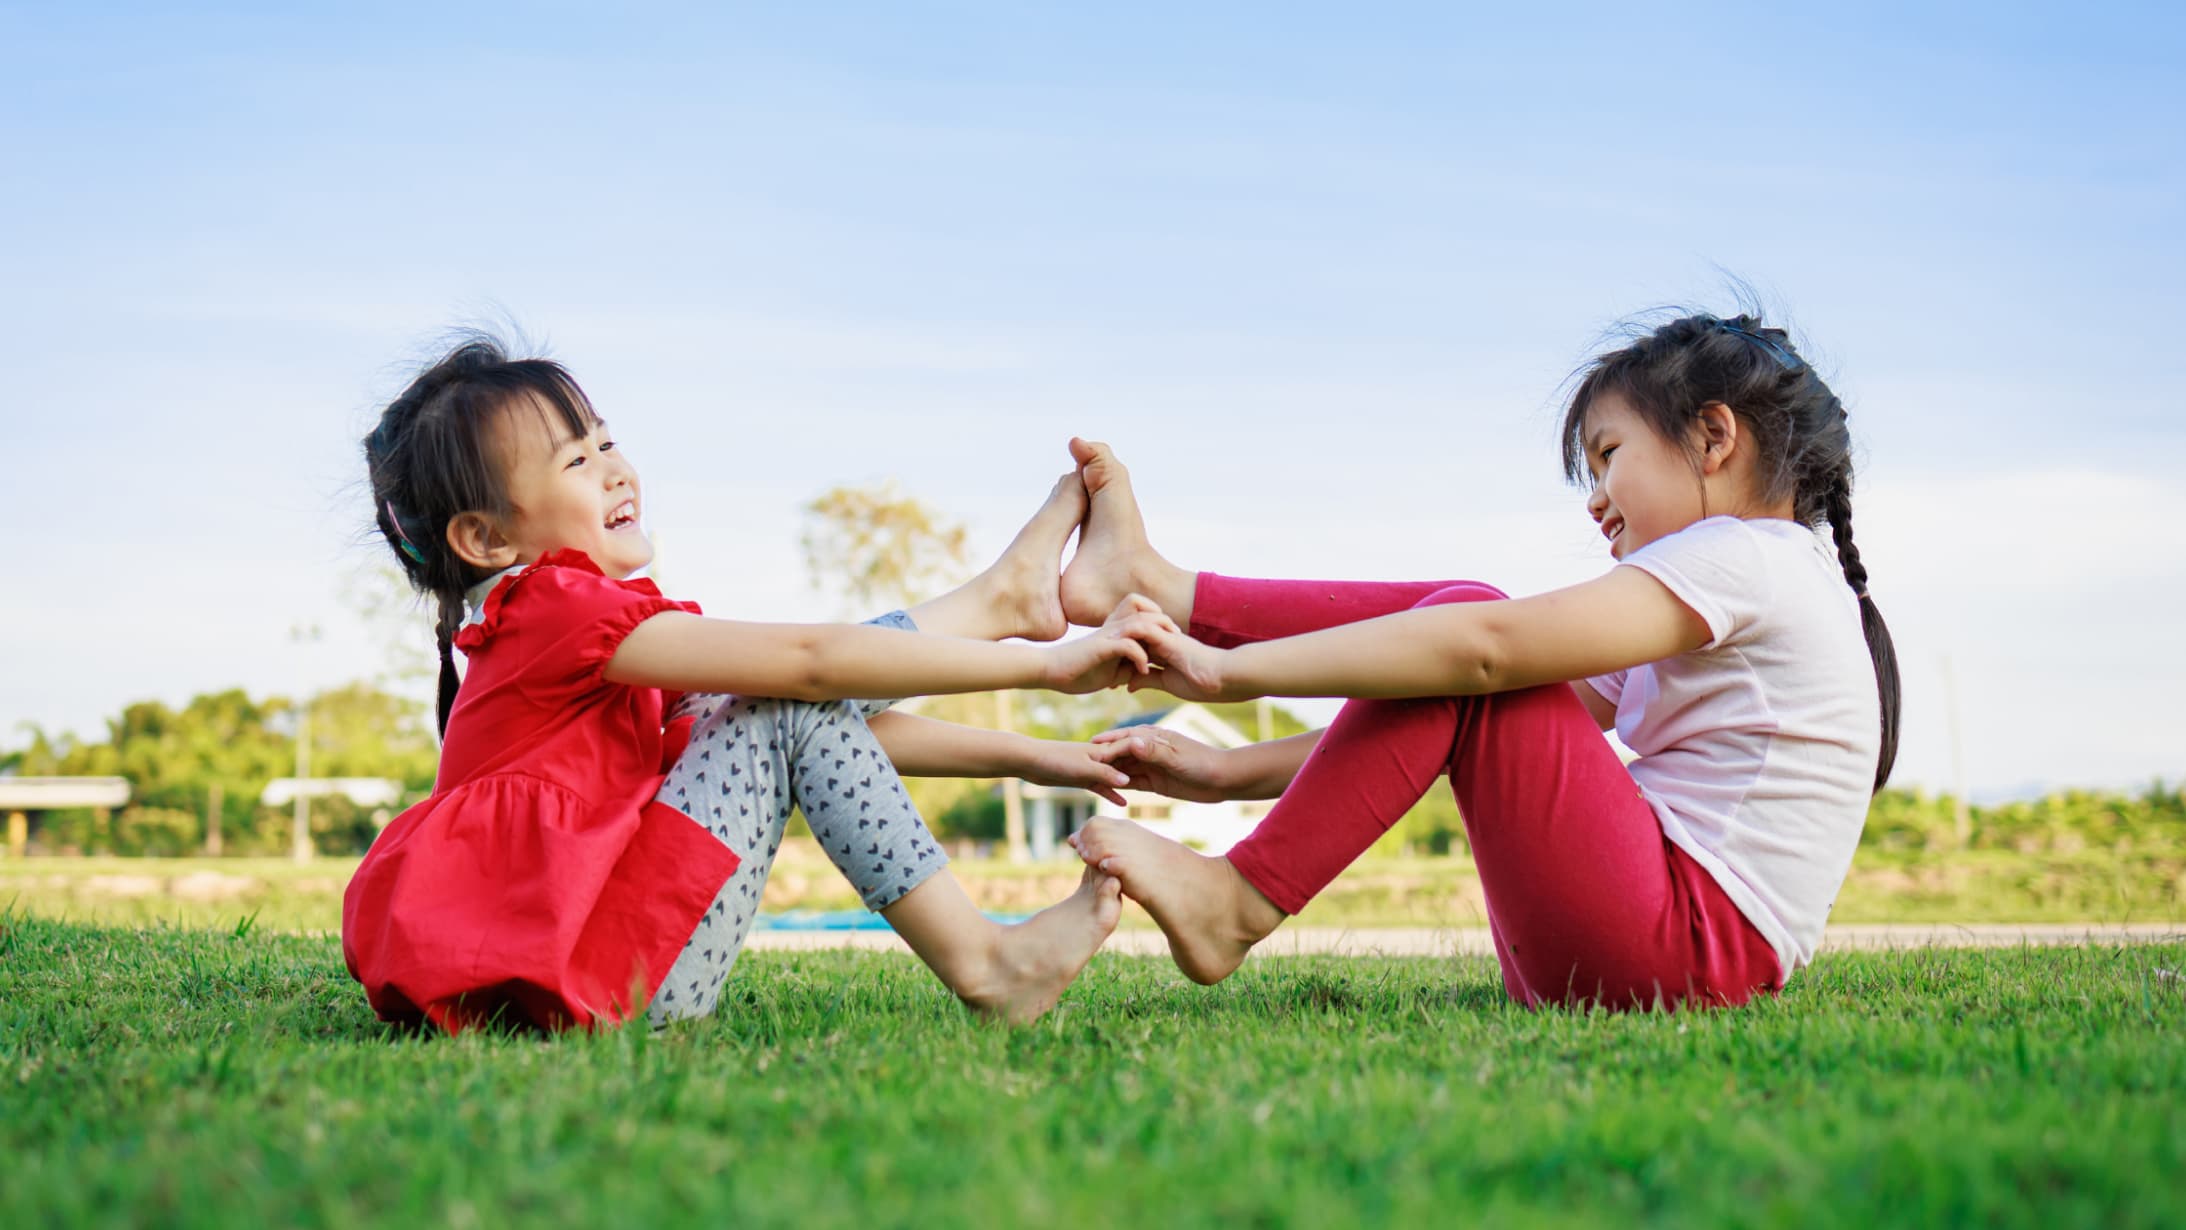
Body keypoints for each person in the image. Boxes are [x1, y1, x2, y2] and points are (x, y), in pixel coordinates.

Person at [1062, 311, 1900, 1011]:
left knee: (1470, 624)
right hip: (1657, 949)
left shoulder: (1751, 558)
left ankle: (1238, 896)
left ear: (1714, 437)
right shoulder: (1752, 579)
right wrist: (1225, 772)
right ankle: (1166, 590)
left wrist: (1226, 675)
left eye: (1609, 454)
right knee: (1462, 626)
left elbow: (1484, 654)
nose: (1595, 497)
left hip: (1681, 947)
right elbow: (1442, 713)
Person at [344, 334, 1170, 1033]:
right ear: (486, 539)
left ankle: (997, 601)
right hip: (605, 984)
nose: (614, 470)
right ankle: (986, 960)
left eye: (604, 441)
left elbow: (817, 716)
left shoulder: (566, 628)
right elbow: (808, 664)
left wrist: (1035, 757)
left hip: (606, 975)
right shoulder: (549, 607)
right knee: (776, 692)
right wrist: (1047, 665)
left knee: (769, 703)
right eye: (575, 459)